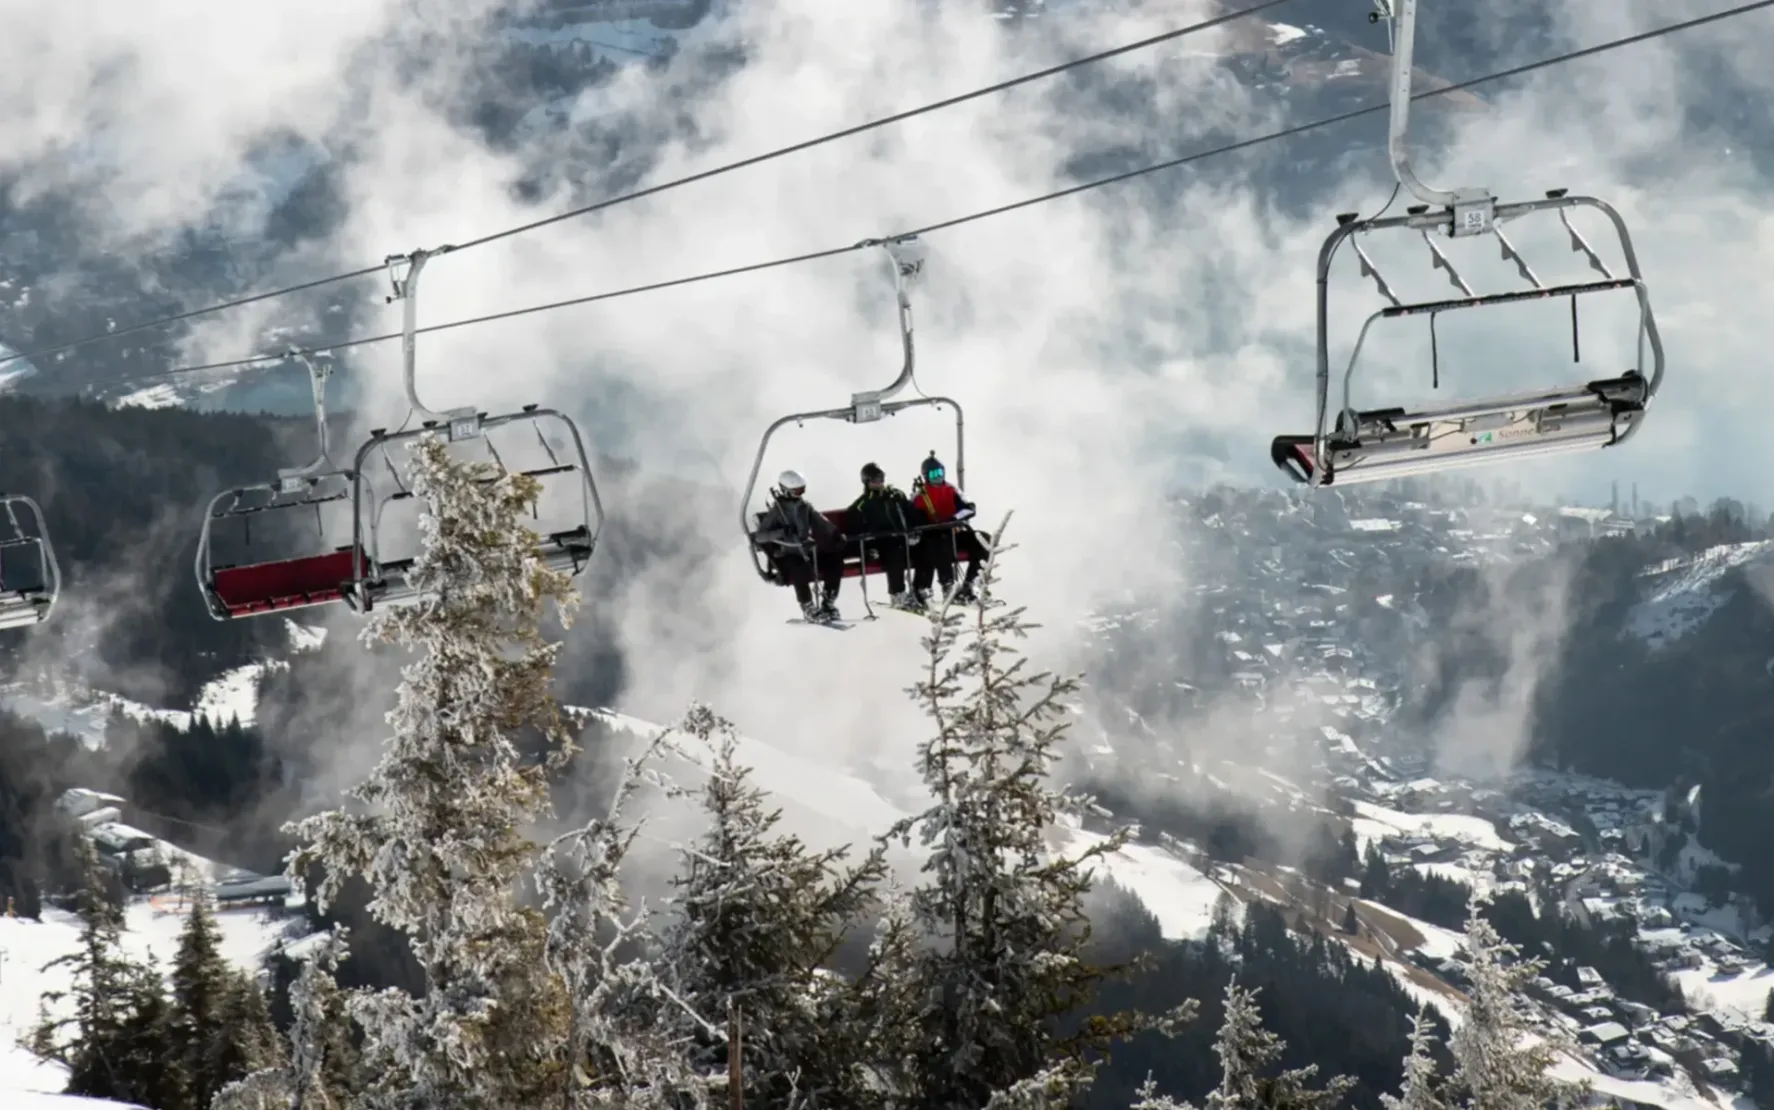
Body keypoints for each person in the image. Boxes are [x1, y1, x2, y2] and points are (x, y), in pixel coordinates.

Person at [753, 469, 844, 622]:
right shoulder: (777, 511)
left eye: (802, 490)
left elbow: (821, 521)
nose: (800, 494)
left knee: (834, 563)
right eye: (796, 491)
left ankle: (828, 603)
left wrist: (835, 533)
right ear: (786, 491)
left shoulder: (805, 507)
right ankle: (808, 607)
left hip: (806, 548)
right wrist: (781, 532)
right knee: (799, 569)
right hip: (788, 552)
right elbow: (761, 536)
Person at [909, 453, 989, 605]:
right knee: (940, 541)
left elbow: (970, 508)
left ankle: (971, 583)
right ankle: (947, 585)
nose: (937, 477)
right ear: (926, 476)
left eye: (940, 473)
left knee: (983, 539)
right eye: (933, 474)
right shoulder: (920, 495)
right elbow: (912, 517)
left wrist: (954, 519)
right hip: (931, 539)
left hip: (953, 532)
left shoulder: (951, 490)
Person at [846, 461, 922, 610]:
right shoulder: (863, 504)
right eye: (875, 480)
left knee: (926, 549)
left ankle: (921, 589)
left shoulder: (896, 496)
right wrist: (868, 548)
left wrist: (915, 531)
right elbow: (854, 527)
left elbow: (912, 514)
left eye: (881, 479)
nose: (879, 483)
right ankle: (897, 593)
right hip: (882, 542)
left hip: (903, 538)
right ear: (867, 482)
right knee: (895, 553)